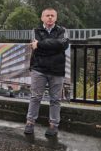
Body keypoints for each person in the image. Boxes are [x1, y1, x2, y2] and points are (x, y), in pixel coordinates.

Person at [24, 8, 69, 136]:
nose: (50, 17)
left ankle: (53, 125)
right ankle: (30, 123)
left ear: (56, 18)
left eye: (52, 15)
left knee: (55, 99)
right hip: (39, 69)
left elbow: (63, 45)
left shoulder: (63, 31)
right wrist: (54, 46)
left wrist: (41, 45)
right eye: (47, 15)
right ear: (42, 18)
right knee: (35, 97)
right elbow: (37, 47)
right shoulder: (35, 31)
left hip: (57, 70)